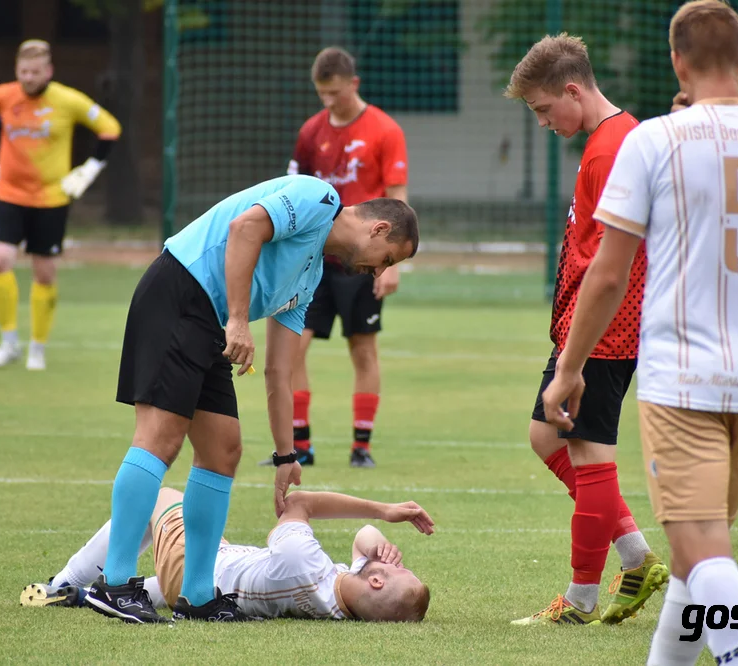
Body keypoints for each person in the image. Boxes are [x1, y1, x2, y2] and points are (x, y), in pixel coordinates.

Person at [542, 1, 738, 663]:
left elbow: (607, 276)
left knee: (704, 553)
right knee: (697, 558)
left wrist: (570, 366)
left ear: (677, 61)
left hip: (683, 372)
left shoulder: (652, 140)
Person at [85, 174, 418, 624]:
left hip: (213, 320)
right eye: (387, 260)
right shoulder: (320, 197)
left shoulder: (311, 276)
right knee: (160, 439)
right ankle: (115, 584)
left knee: (224, 450)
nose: (378, 272)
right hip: (179, 292)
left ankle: (199, 597)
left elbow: (281, 369)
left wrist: (287, 455)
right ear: (378, 229)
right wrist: (239, 320)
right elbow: (246, 228)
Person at [502, 34, 668, 627]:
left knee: (588, 452)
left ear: (573, 90)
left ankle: (579, 600)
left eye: (545, 110)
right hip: (596, 325)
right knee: (547, 438)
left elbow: (608, 266)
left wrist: (574, 356)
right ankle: (636, 556)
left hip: (604, 327)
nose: (545, 123)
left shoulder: (609, 150)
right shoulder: (615, 137)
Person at [269, 46, 409, 469]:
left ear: (354, 84)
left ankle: (361, 447)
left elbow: (397, 198)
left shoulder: (385, 129)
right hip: (314, 257)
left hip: (364, 257)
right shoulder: (311, 131)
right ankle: (301, 445)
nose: (328, 101)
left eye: (335, 93)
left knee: (362, 348)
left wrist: (393, 266)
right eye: (321, 94)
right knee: (294, 349)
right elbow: (291, 191)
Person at [21, 487, 433, 622]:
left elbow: (298, 503)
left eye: (401, 571)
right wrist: (376, 544)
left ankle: (63, 584)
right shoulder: (341, 600)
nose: (400, 562)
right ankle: (89, 595)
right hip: (215, 570)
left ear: (376, 581)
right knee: (207, 539)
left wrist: (382, 511)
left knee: (158, 495)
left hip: (195, 573)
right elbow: (363, 540)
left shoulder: (304, 565)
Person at [0, 39, 121, 371]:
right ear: (16, 70)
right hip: (9, 193)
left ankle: (37, 347)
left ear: (48, 71)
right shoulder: (5, 95)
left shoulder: (67, 100)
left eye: (35, 72)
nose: (29, 78)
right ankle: (8, 343)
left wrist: (88, 171)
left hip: (51, 199)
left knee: (44, 273)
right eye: (23, 71)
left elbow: (109, 128)